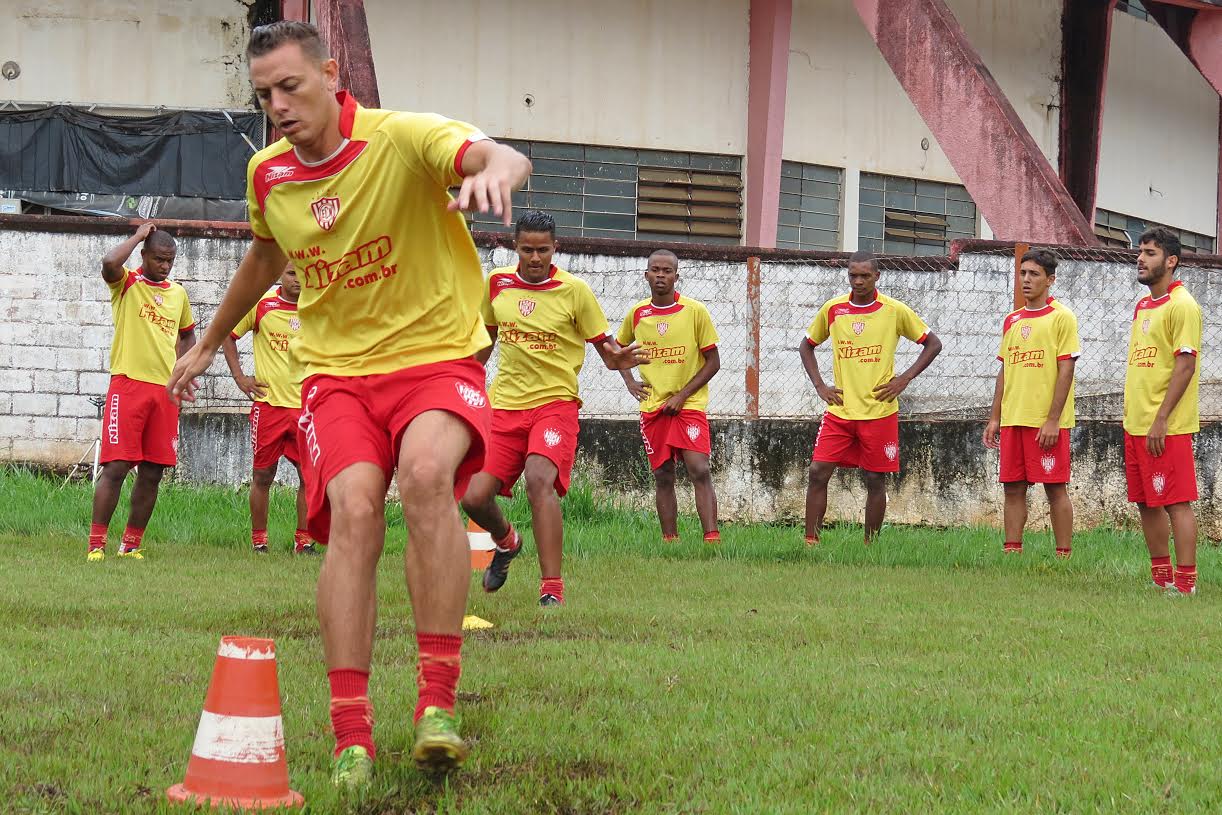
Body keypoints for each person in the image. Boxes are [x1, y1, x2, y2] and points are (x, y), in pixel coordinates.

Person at [166, 21, 533, 785]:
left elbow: (498, 154)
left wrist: (498, 169)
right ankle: (351, 737)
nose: (278, 106)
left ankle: (436, 704)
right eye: (264, 95)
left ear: (331, 75)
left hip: (434, 358)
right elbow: (266, 252)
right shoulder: (268, 174)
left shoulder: (401, 138)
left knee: (428, 475)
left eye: (290, 86)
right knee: (356, 510)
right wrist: (210, 340)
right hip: (335, 374)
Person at [460, 211, 644, 607]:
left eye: (543, 250)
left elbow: (607, 350)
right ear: (515, 247)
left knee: (539, 479)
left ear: (555, 248)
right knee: (473, 497)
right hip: (505, 406)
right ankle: (507, 541)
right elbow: (485, 342)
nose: (535, 258)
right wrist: (461, 384)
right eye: (527, 249)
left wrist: (620, 361)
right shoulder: (497, 284)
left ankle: (551, 589)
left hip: (555, 404)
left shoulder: (575, 291)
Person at [798, 251, 942, 545]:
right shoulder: (833, 309)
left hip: (880, 412)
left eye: (865, 275)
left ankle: (869, 546)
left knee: (875, 479)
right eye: (853, 275)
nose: (858, 281)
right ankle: (811, 542)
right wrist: (820, 386)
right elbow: (806, 345)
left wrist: (904, 378)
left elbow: (933, 344)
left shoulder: (894, 310)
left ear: (877, 276)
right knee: (817, 472)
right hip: (840, 411)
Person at [87, 222, 195, 561]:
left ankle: (130, 545)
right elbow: (108, 262)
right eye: (159, 259)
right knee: (117, 466)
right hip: (128, 384)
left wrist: (184, 371)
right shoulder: (127, 283)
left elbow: (188, 335)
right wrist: (137, 236)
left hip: (165, 392)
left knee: (153, 472)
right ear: (144, 255)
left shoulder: (178, 294)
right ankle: (96, 545)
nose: (165, 266)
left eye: (170, 260)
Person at [617, 249, 722, 543]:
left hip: (689, 406)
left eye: (666, 271)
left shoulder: (695, 311)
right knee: (663, 475)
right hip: (654, 408)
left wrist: (682, 395)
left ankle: (711, 538)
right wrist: (630, 381)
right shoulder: (637, 313)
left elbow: (713, 362)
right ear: (646, 275)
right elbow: (617, 351)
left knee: (699, 468)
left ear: (676, 276)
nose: (660, 275)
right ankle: (670, 541)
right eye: (655, 270)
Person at [982, 249, 1079, 557]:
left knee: (1055, 488)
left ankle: (1063, 555)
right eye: (1023, 273)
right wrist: (995, 417)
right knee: (1012, 487)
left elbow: (1066, 370)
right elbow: (1005, 370)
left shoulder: (1062, 317)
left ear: (1050, 280)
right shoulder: (1012, 320)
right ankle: (1012, 552)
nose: (1026, 279)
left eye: (1034, 274)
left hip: (1045, 422)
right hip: (1013, 418)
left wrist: (1052, 419)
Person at [1123, 227, 1202, 595]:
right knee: (1145, 502)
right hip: (1135, 423)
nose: (1141, 258)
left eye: (1150, 253)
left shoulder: (1183, 305)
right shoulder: (1143, 306)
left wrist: (1161, 418)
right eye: (1140, 252)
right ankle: (1162, 580)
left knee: (1176, 502)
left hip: (1165, 426)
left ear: (1171, 261)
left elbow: (1185, 366)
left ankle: (1186, 585)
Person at [221, 263, 316, 554]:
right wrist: (240, 377)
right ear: (279, 275)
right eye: (291, 273)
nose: (298, 279)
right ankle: (259, 541)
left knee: (308, 477)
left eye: (303, 273)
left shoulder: (317, 308)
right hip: (269, 406)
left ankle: (304, 542)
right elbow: (227, 335)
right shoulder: (262, 305)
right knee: (263, 475)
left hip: (306, 409)